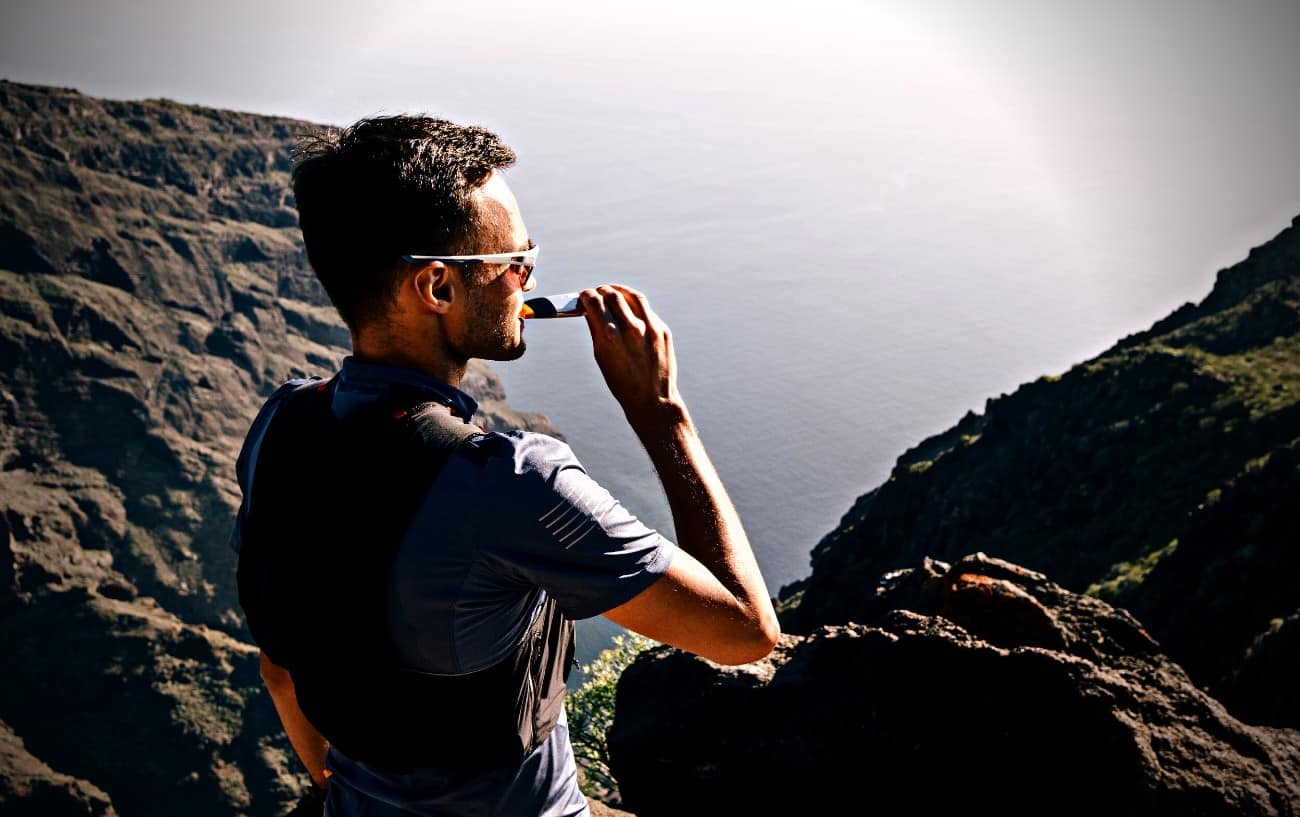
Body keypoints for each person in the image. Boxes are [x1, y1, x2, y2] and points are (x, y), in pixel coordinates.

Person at [230, 115, 780, 817]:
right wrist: (662, 413)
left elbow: (279, 666)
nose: (527, 278)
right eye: (513, 262)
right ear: (436, 286)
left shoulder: (280, 426)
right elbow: (743, 630)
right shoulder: (508, 482)